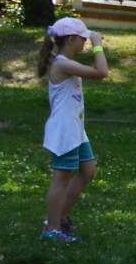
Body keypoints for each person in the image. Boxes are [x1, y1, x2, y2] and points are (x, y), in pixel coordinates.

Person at [38, 18, 108, 241]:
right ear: (70, 40)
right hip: (65, 130)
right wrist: (98, 45)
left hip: (76, 128)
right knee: (61, 179)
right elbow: (102, 72)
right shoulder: (62, 64)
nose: (85, 42)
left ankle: (61, 217)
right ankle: (51, 228)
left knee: (88, 170)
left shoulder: (66, 62)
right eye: (83, 39)